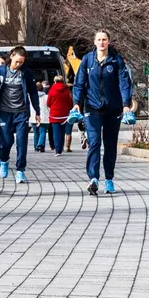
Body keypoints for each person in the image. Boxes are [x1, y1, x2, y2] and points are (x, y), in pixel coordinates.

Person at [72, 29, 134, 194]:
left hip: (113, 109)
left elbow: (124, 83)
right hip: (92, 108)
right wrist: (77, 103)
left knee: (110, 145)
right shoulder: (87, 60)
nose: (101, 42)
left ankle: (109, 179)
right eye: (98, 39)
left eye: (104, 39)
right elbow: (79, 83)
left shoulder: (116, 60)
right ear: (94, 42)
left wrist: (126, 104)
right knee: (94, 143)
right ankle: (93, 178)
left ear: (109, 42)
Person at [0, 46, 40, 185]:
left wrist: (37, 111)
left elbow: (33, 92)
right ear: (12, 56)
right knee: (6, 141)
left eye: (21, 62)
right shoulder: (1, 71)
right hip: (4, 112)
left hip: (21, 112)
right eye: (17, 62)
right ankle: (4, 160)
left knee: (22, 142)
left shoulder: (26, 73)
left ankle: (20, 170)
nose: (18, 64)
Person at [47, 73, 73, 155]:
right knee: (62, 133)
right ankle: (60, 149)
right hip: (64, 115)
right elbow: (70, 103)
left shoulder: (52, 90)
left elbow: (48, 103)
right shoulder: (66, 90)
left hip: (54, 115)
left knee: (56, 133)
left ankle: (57, 150)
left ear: (54, 81)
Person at [34, 82, 51, 151]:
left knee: (36, 132)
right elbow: (49, 107)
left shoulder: (31, 96)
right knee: (43, 131)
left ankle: (36, 146)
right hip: (44, 116)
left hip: (33, 117)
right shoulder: (46, 97)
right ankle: (40, 145)